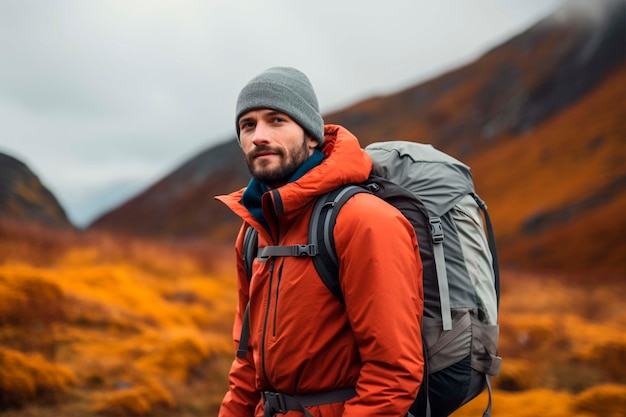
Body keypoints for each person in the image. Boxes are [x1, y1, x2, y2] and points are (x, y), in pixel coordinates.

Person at [216, 66, 424, 417]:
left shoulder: (364, 219)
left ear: (311, 135)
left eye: (277, 120)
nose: (258, 137)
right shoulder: (254, 230)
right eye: (248, 125)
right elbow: (246, 365)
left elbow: (393, 375)